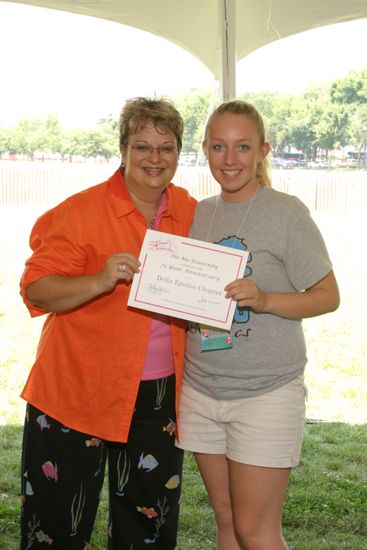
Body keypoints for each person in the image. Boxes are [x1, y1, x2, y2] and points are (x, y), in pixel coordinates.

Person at [19, 96, 196, 550]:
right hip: (77, 387)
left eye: (166, 147)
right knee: (57, 526)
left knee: (148, 525)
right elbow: (36, 288)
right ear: (122, 150)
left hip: (158, 394)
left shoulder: (191, 212)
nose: (154, 159)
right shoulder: (82, 212)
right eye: (142, 146)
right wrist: (99, 279)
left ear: (179, 153)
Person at [175, 100, 340, 550]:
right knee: (226, 523)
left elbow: (328, 297)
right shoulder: (196, 213)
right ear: (205, 150)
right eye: (219, 147)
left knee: (256, 530)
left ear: (263, 150)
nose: (230, 160)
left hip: (265, 393)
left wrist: (265, 299)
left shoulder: (286, 212)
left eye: (243, 147)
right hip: (202, 389)